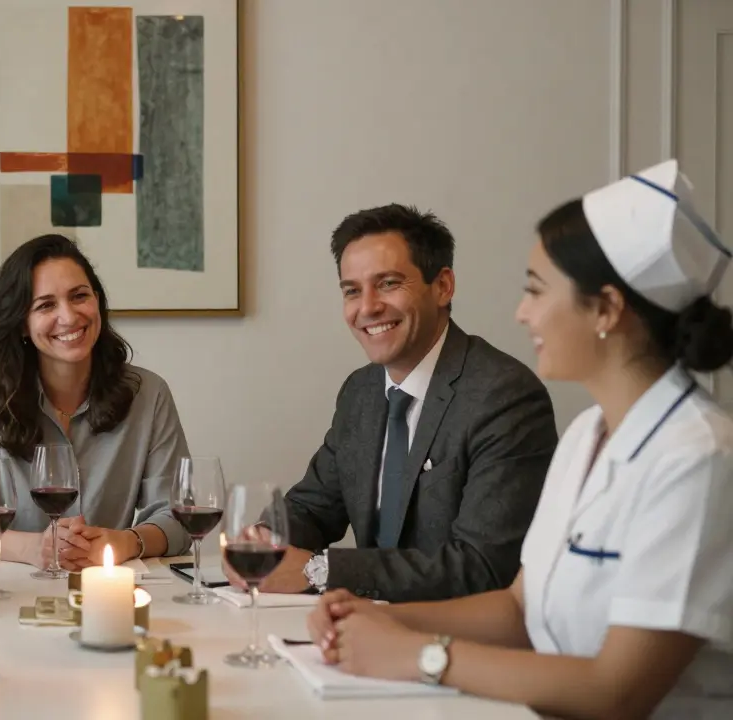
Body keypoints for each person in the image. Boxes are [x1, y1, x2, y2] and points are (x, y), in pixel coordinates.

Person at [306, 160, 733, 719]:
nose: (521, 312)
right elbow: (517, 608)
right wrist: (378, 618)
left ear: (606, 309)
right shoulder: (587, 435)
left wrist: (419, 655)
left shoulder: (699, 458)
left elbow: (619, 692)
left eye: (536, 290)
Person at [231, 204, 559, 602]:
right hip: (361, 622)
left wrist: (318, 570)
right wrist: (264, 539)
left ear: (443, 286)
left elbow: (483, 565)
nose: (367, 307)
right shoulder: (361, 391)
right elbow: (314, 506)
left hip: (451, 630)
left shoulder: (504, 396)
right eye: (352, 291)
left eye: (387, 283)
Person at [0, 233, 191, 569]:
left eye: (79, 296)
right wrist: (33, 549)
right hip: (14, 590)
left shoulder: (149, 394)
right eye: (46, 305)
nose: (70, 317)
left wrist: (126, 542)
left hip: (107, 586)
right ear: (22, 324)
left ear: (97, 301)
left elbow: (179, 517)